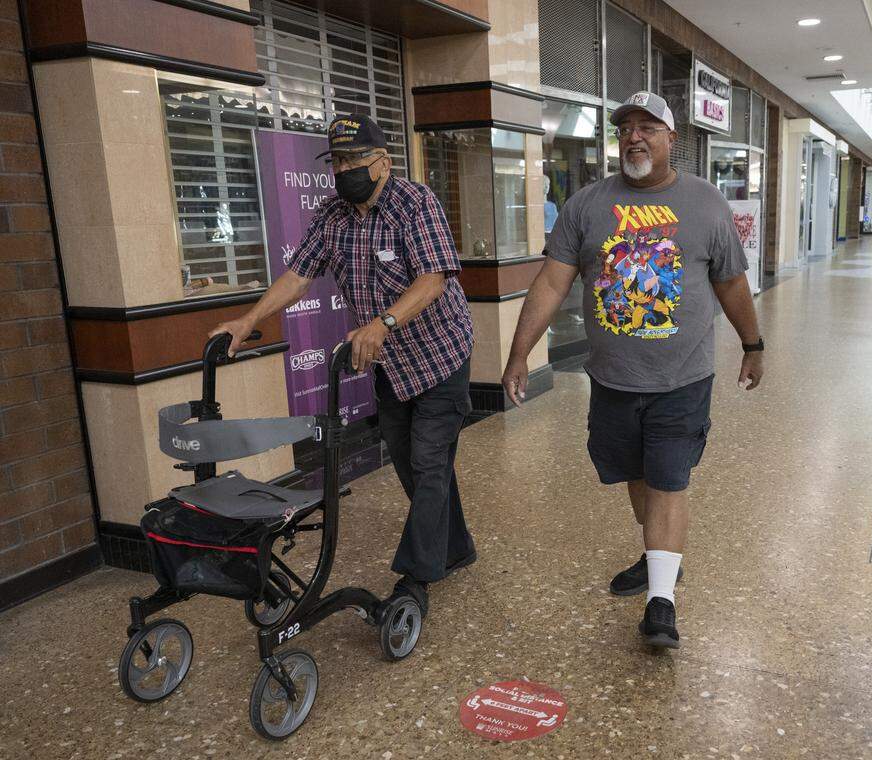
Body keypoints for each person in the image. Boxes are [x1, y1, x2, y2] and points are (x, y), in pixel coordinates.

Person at [500, 92, 764, 650]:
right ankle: (656, 558)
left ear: (673, 140)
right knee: (637, 475)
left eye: (649, 127)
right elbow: (552, 282)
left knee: (669, 479)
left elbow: (731, 282)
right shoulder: (587, 206)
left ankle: (661, 602)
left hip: (682, 378)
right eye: (626, 129)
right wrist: (521, 351)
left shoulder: (707, 204)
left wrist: (752, 342)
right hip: (613, 379)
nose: (635, 137)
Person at [210, 113, 477, 618]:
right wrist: (248, 321)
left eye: (355, 159)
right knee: (414, 463)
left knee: (428, 461)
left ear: (384, 162)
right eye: (337, 160)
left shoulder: (415, 203)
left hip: (441, 355)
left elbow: (434, 279)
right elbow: (298, 275)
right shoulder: (331, 215)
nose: (345, 168)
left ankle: (416, 576)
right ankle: (455, 545)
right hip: (392, 367)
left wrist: (381, 322)